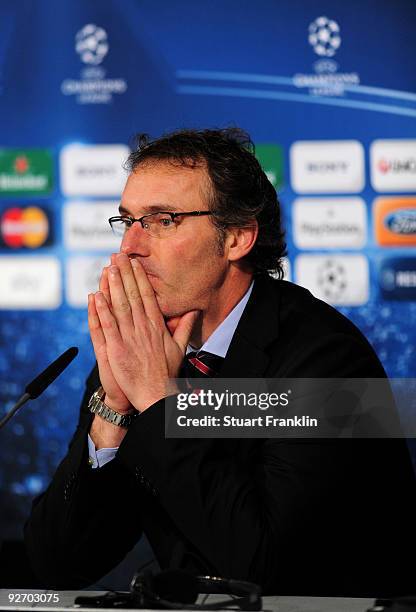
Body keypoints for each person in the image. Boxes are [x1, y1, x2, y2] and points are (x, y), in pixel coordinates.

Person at [24, 128, 416, 597]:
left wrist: (157, 402)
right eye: (127, 220)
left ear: (237, 237)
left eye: (162, 220)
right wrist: (114, 410)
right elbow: (59, 566)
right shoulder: (141, 353)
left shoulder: (328, 359)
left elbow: (271, 571)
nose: (130, 246)